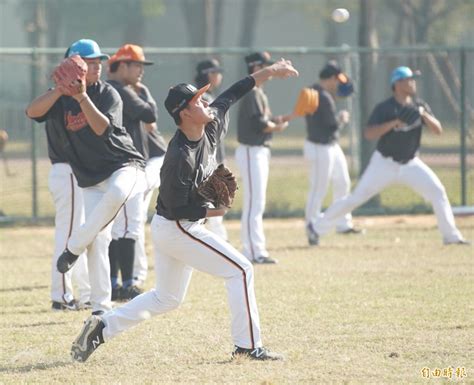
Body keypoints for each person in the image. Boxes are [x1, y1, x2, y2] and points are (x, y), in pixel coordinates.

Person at [69, 58, 299, 363]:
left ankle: (101, 327)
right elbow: (179, 208)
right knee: (242, 269)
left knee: (167, 298)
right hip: (178, 226)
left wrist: (269, 72)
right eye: (196, 100)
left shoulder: (210, 122)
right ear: (184, 113)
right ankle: (247, 346)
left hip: (174, 226)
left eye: (202, 97)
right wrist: (217, 208)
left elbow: (233, 92)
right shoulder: (178, 158)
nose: (205, 102)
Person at [26, 39, 146, 315]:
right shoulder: (59, 98)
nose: (98, 66)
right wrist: (59, 90)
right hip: (90, 178)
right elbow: (32, 112)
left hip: (125, 166)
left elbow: (102, 128)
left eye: (98, 62)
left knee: (115, 197)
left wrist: (81, 96)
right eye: (90, 62)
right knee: (97, 243)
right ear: (73, 66)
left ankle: (73, 246)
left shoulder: (107, 92)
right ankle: (100, 307)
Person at [310, 66, 469, 245]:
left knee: (438, 192)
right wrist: (395, 122)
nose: (413, 82)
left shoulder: (419, 106)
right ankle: (316, 228)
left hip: (410, 163)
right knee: (356, 198)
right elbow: (369, 133)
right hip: (384, 163)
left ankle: (451, 237)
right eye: (409, 79)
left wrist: (424, 115)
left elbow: (438, 130)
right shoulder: (385, 108)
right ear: (397, 83)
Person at [106, 44, 165, 300]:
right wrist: (145, 93)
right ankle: (125, 283)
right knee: (127, 227)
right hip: (127, 165)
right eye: (136, 65)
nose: (141, 70)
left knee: (117, 228)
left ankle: (114, 283)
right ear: (121, 65)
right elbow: (150, 112)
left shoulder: (108, 90)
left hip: (113, 166)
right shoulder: (121, 90)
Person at [287, 60, 361, 246]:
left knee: (343, 182)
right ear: (329, 79)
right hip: (319, 148)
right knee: (318, 190)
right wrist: (342, 119)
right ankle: (312, 228)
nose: (339, 84)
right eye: (337, 80)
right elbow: (332, 125)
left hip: (330, 146)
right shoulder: (323, 96)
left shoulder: (318, 92)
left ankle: (343, 223)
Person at [235, 52, 289, 264]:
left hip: (258, 150)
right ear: (256, 66)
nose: (270, 70)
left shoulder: (258, 92)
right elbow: (260, 124)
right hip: (251, 149)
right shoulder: (252, 92)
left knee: (257, 202)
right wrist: (277, 126)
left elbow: (262, 120)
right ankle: (253, 251)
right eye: (266, 66)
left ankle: (255, 250)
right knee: (254, 202)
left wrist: (276, 121)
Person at [194, 58, 228, 240]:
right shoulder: (204, 99)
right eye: (215, 72)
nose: (219, 75)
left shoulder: (206, 98)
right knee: (212, 203)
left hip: (210, 157)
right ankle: (220, 242)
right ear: (207, 74)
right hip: (207, 159)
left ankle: (220, 240)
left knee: (213, 202)